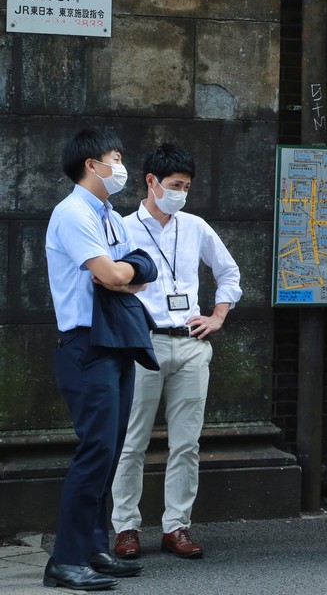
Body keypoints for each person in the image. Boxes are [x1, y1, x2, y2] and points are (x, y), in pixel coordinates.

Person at [110, 143, 242, 561]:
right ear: (151, 182)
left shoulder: (196, 226)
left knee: (187, 442)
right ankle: (125, 527)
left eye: (186, 186)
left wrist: (218, 315)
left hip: (190, 343)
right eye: (174, 185)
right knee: (132, 441)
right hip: (142, 341)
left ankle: (176, 527)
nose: (181, 192)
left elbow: (229, 272)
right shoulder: (122, 227)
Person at [44, 128, 152, 590]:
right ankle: (64, 560)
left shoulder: (108, 214)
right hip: (86, 344)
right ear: (92, 163)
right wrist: (124, 274)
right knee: (96, 452)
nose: (120, 166)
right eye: (115, 157)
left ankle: (93, 546)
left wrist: (123, 274)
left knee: (108, 453)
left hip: (114, 341)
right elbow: (113, 273)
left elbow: (143, 273)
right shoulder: (72, 213)